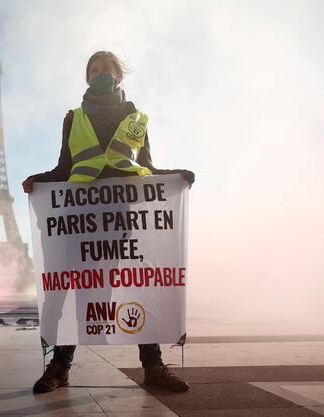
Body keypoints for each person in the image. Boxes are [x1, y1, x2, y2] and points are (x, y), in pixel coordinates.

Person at [22, 51, 195, 394]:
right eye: (94, 69)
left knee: (135, 285)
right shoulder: (73, 118)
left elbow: (145, 166)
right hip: (81, 219)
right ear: (87, 78)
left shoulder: (135, 117)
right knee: (79, 288)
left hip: (120, 215)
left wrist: (175, 176)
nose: (101, 73)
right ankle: (60, 366)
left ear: (119, 75)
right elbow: (64, 168)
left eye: (107, 68)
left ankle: (153, 366)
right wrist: (38, 180)